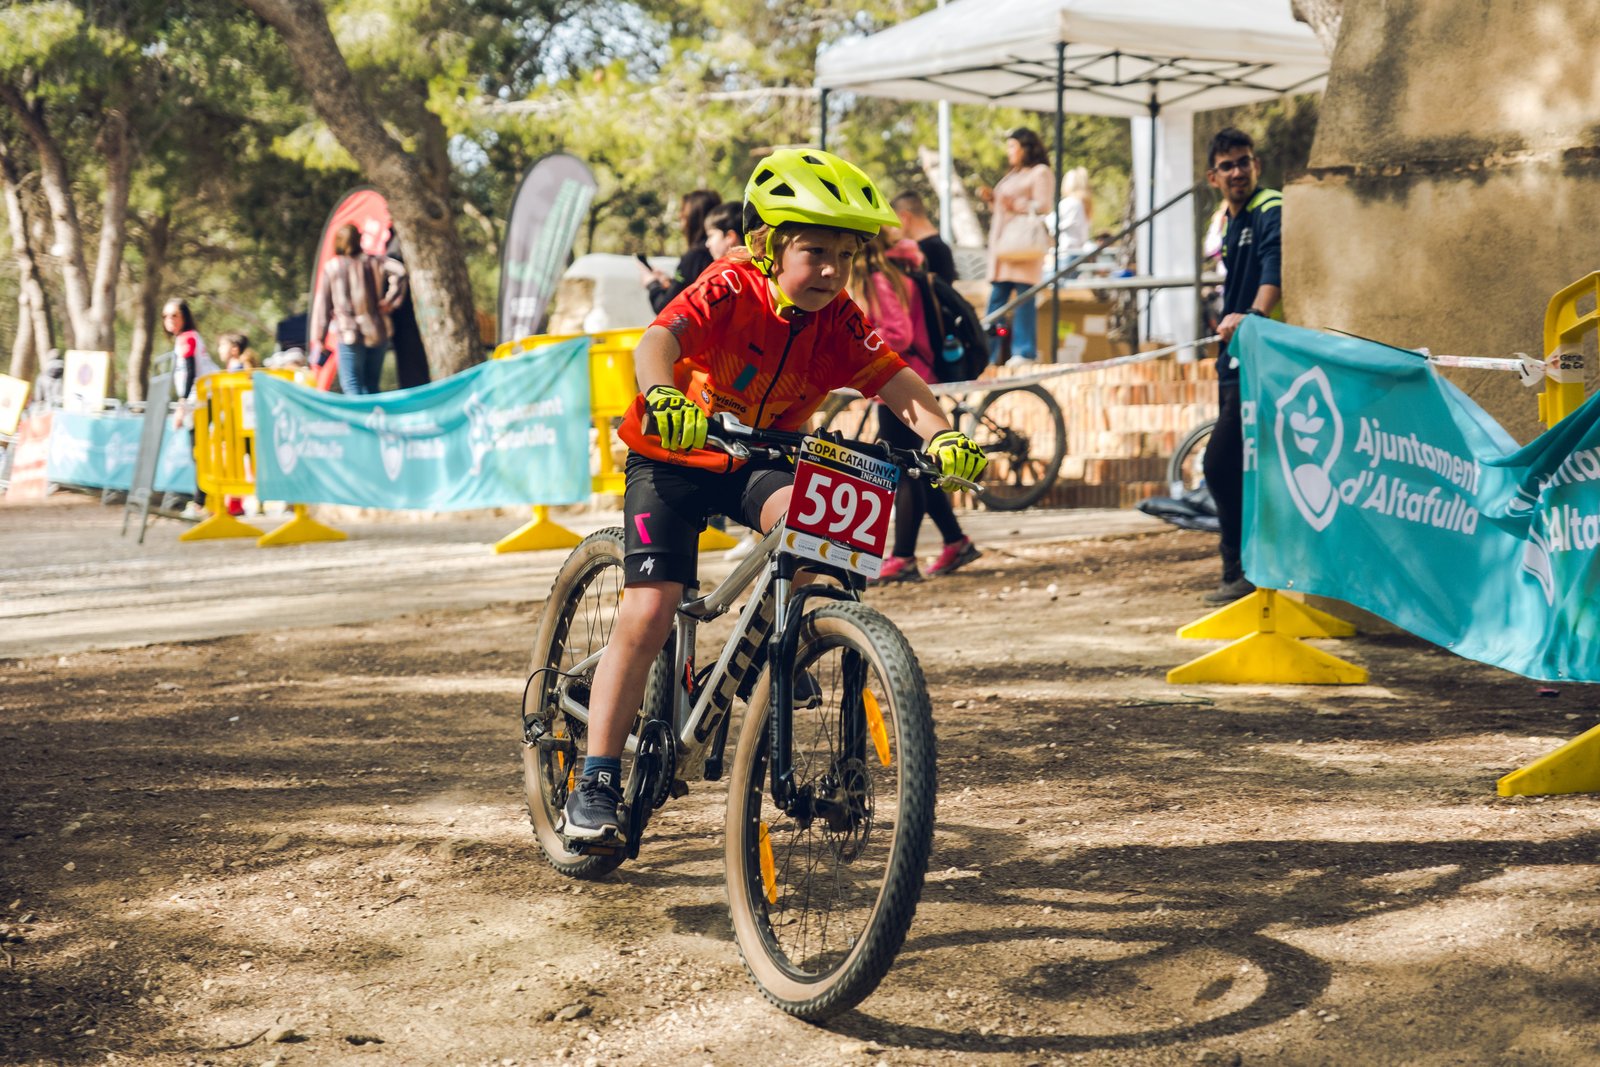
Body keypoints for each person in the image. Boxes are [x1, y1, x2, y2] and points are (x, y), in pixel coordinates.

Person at [558, 148, 988, 843]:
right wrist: (663, 392)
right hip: (675, 449)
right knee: (653, 606)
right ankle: (597, 779)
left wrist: (944, 436)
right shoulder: (732, 284)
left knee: (815, 541)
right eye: (813, 251)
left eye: (843, 257)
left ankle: (782, 654)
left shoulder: (840, 319)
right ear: (768, 245)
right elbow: (657, 341)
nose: (829, 270)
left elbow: (903, 389)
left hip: (759, 456)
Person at [853, 232, 980, 583]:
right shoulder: (899, 274)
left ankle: (904, 557)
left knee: (900, 468)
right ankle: (955, 541)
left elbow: (899, 333)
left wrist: (858, 341)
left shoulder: (879, 279)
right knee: (914, 467)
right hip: (912, 380)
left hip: (901, 387)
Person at [1200, 127, 1282, 606]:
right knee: (1237, 467)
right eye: (1227, 165)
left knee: (1219, 463)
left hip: (1261, 358)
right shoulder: (1227, 221)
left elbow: (1275, 264)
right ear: (1214, 176)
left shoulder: (1269, 208)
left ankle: (1241, 568)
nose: (1237, 171)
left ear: (1256, 165)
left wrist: (1254, 316)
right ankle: (1242, 569)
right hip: (1232, 360)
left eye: (1244, 161)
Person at [979, 128, 1055, 367]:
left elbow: (1043, 205)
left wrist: (1017, 204)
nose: (1009, 151)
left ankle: (1024, 351)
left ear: (1025, 147)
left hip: (1023, 247)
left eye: (1013, 146)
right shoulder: (1012, 174)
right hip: (1004, 248)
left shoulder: (1040, 172)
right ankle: (988, 355)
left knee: (1023, 299)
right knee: (996, 302)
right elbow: (1004, 207)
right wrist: (993, 199)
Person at [309, 222, 407, 395]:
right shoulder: (375, 262)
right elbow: (400, 272)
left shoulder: (333, 267)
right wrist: (390, 301)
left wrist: (319, 338)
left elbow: (323, 305)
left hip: (349, 333)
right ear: (359, 240)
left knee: (352, 383)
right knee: (371, 384)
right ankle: (375, 419)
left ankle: (360, 422)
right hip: (378, 330)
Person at [163, 298, 221, 516]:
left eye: (174, 315)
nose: (169, 321)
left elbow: (189, 372)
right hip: (202, 399)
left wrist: (182, 406)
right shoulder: (186, 339)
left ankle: (200, 502)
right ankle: (205, 500)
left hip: (202, 400)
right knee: (200, 451)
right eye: (166, 316)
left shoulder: (187, 338)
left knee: (199, 450)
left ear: (185, 317)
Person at [640, 189, 722, 314]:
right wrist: (671, 283)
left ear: (693, 219)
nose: (679, 217)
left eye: (683, 213)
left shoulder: (695, 256)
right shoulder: (719, 253)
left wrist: (652, 284)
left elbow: (666, 308)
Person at [385, 229, 430, 390]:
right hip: (407, 318)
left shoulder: (397, 244)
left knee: (412, 366)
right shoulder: (398, 242)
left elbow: (398, 273)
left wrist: (389, 302)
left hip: (407, 318)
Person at [889, 190, 957, 284]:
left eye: (893, 223)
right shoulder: (940, 247)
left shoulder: (922, 251)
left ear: (905, 217)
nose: (892, 229)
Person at [1049, 167, 1093, 274]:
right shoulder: (1085, 205)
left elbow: (1049, 224)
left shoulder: (1069, 203)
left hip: (1066, 254)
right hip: (1078, 253)